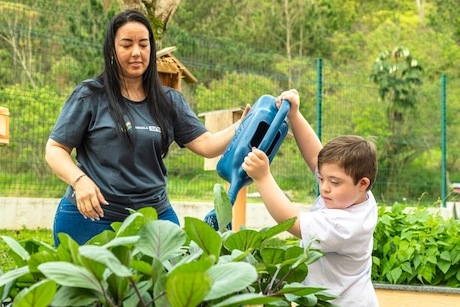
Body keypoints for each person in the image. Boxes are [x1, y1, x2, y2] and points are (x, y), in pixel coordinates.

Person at [45, 9, 250, 246]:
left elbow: (207, 145)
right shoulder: (90, 95)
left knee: (166, 281)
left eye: (143, 44)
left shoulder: (169, 101)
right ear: (112, 49)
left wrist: (241, 125)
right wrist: (79, 181)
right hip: (92, 217)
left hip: (154, 218)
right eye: (126, 44)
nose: (136, 52)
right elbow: (55, 148)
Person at [242, 89, 379, 306]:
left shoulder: (345, 225)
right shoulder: (359, 197)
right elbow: (317, 158)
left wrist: (263, 177)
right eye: (322, 179)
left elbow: (294, 223)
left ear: (363, 183)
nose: (324, 188)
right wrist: (295, 115)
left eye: (334, 182)